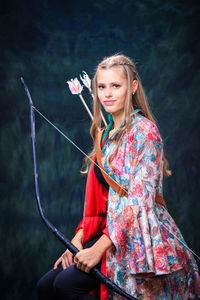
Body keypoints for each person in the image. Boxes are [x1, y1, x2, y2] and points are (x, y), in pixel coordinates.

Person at [37, 54, 200, 299]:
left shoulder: (144, 131)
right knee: (46, 287)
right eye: (101, 87)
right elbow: (102, 202)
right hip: (109, 231)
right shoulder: (106, 134)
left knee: (65, 286)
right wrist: (77, 242)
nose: (107, 94)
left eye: (116, 86)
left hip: (139, 238)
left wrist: (97, 250)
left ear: (132, 87)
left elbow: (138, 202)